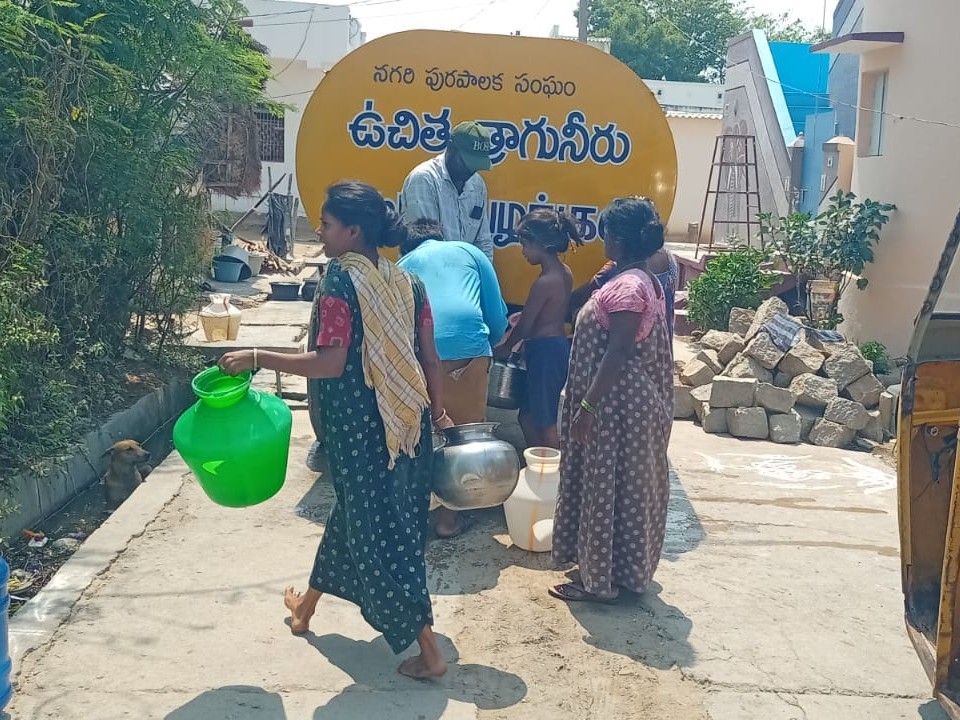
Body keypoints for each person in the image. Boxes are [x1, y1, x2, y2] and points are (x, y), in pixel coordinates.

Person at [219, 181, 454, 678]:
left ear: (353, 231)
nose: (320, 233)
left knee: (379, 537)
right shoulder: (409, 284)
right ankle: (304, 610)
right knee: (364, 518)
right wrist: (437, 414)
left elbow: (330, 363)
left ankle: (429, 651)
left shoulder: (339, 282)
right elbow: (430, 358)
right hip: (408, 426)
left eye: (326, 225)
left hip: (360, 428)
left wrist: (257, 356)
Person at [550, 196, 674, 604]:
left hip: (616, 407)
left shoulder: (629, 287)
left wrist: (588, 407)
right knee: (623, 490)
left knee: (606, 489)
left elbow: (618, 351)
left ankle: (599, 583)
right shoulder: (639, 278)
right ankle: (618, 573)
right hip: (625, 404)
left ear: (617, 239)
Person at [398, 218, 509, 538]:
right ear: (441, 236)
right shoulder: (469, 252)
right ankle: (448, 520)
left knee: (413, 438)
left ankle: (410, 516)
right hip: (466, 352)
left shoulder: (402, 265)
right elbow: (496, 317)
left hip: (417, 356)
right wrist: (485, 348)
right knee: (463, 436)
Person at [494, 209, 582, 449]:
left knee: (543, 421)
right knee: (527, 417)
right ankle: (539, 461)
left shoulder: (544, 283)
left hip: (546, 353)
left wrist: (506, 347)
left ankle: (553, 465)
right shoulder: (564, 272)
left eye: (526, 245)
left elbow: (525, 326)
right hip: (551, 349)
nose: (523, 251)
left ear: (542, 244)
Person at [399, 121, 495, 261]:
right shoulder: (424, 179)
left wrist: (482, 271)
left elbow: (483, 243)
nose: (471, 170)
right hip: (427, 269)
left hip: (464, 272)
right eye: (466, 162)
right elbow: (428, 246)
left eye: (475, 165)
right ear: (450, 148)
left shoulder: (477, 184)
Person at [570, 247, 678, 344]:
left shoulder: (616, 268)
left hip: (627, 351)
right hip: (659, 345)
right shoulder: (670, 259)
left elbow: (578, 297)